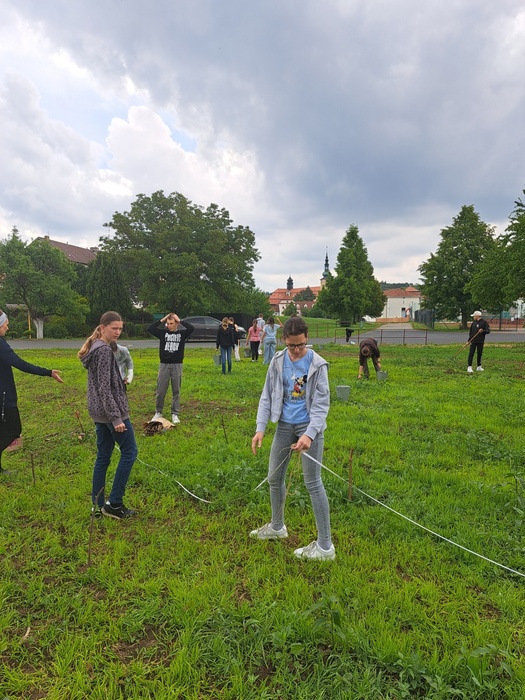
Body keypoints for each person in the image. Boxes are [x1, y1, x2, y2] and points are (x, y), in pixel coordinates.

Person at [250, 317, 335, 560]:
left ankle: (325, 547)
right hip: (284, 426)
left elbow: (321, 404)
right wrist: (260, 428)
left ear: (307, 339)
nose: (296, 350)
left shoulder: (318, 365)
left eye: (301, 345)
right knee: (274, 478)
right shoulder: (277, 361)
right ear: (283, 341)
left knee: (313, 483)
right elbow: (267, 396)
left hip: (309, 427)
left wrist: (310, 434)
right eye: (291, 345)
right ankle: (277, 527)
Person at [78, 311, 138, 519]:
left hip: (99, 411)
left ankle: (97, 505)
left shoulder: (95, 347)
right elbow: (104, 388)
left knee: (103, 456)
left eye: (120, 328)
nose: (118, 332)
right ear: (103, 328)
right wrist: (116, 417)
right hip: (110, 412)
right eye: (114, 328)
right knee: (130, 451)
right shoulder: (103, 351)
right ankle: (115, 504)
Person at [0, 310, 63, 474]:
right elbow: (20, 364)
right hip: (4, 398)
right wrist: (48, 372)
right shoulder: (1, 345)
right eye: (6, 323)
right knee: (14, 430)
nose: (7, 326)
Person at [147, 313, 194, 424]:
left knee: (176, 390)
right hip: (164, 364)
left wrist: (180, 320)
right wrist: (162, 320)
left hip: (177, 365)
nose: (169, 326)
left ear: (176, 323)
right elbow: (150, 328)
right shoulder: (163, 333)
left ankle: (175, 413)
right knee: (161, 390)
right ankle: (158, 411)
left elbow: (191, 328)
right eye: (167, 323)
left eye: (171, 323)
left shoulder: (182, 334)